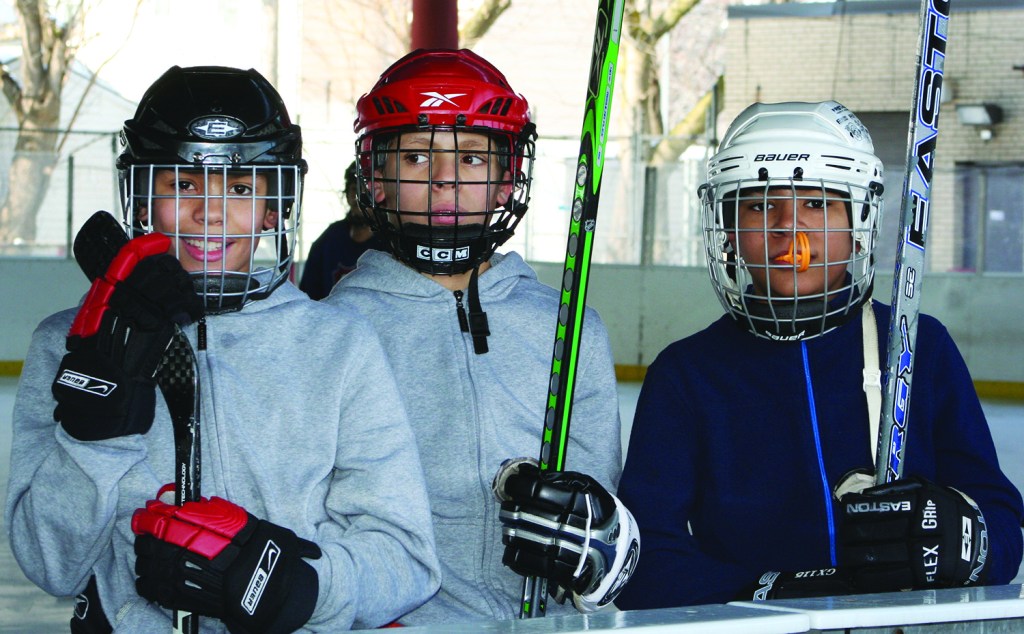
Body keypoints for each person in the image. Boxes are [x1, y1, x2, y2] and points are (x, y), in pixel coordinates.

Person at [5, 65, 439, 632]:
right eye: (182, 183)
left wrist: (296, 588)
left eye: (239, 187)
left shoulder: (338, 344)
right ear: (140, 198)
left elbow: (406, 560)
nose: (209, 211)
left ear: (272, 206)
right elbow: (51, 567)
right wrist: (93, 440)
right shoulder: (69, 343)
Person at [614, 100, 1024, 609]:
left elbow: (1002, 518)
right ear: (728, 230)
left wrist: (968, 543)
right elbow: (644, 558)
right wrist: (777, 593)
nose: (789, 229)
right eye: (760, 206)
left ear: (859, 220)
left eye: (817, 203)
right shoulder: (687, 375)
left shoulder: (918, 347)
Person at [323, 48, 640, 624]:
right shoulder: (335, 331)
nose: (445, 181)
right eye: (417, 157)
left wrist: (591, 543)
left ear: (506, 180)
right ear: (377, 178)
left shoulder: (567, 328)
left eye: (471, 158)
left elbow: (606, 512)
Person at [299, 161, 383, 300]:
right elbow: (308, 297)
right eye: (353, 189)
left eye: (367, 190)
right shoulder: (329, 239)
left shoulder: (392, 243)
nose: (359, 197)